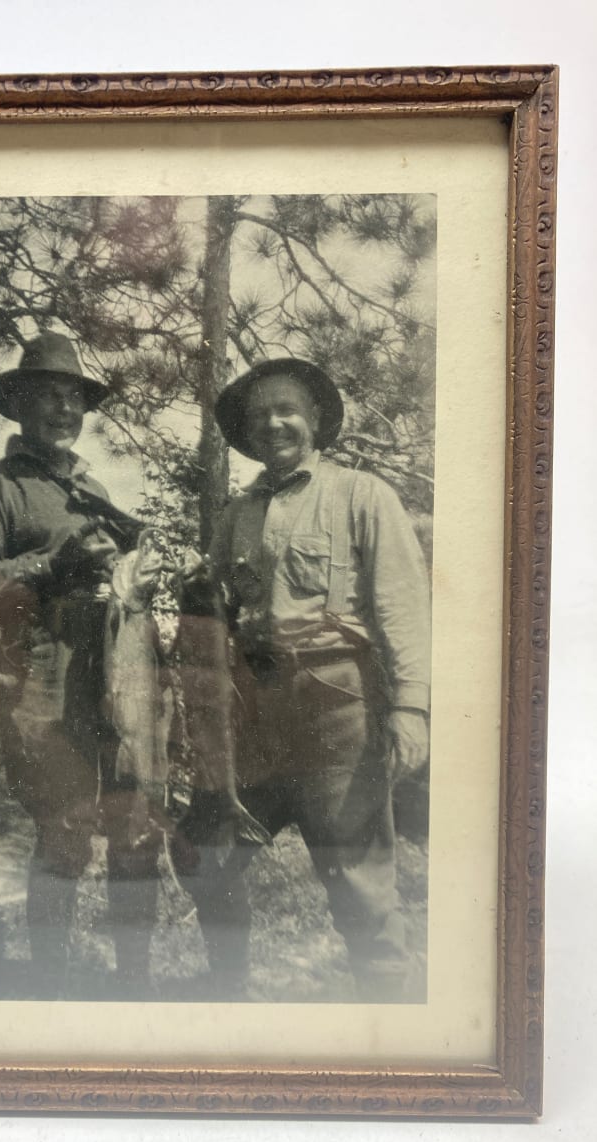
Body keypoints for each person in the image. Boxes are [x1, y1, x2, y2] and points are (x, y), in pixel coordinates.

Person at [174, 358, 431, 1002]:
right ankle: (228, 999)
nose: (275, 423)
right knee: (211, 856)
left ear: (314, 421)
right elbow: (218, 613)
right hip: (252, 714)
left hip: (336, 706)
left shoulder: (362, 495)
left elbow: (403, 605)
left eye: (287, 409)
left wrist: (411, 707)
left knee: (356, 879)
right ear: (249, 434)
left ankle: (395, 1026)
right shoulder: (237, 513)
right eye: (261, 416)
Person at [0, 331, 161, 999]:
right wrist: (50, 566)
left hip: (121, 669)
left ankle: (134, 984)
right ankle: (48, 990)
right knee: (66, 827)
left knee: (135, 822)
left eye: (72, 398)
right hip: (44, 673)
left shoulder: (92, 488)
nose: (63, 410)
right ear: (19, 407)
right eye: (48, 396)